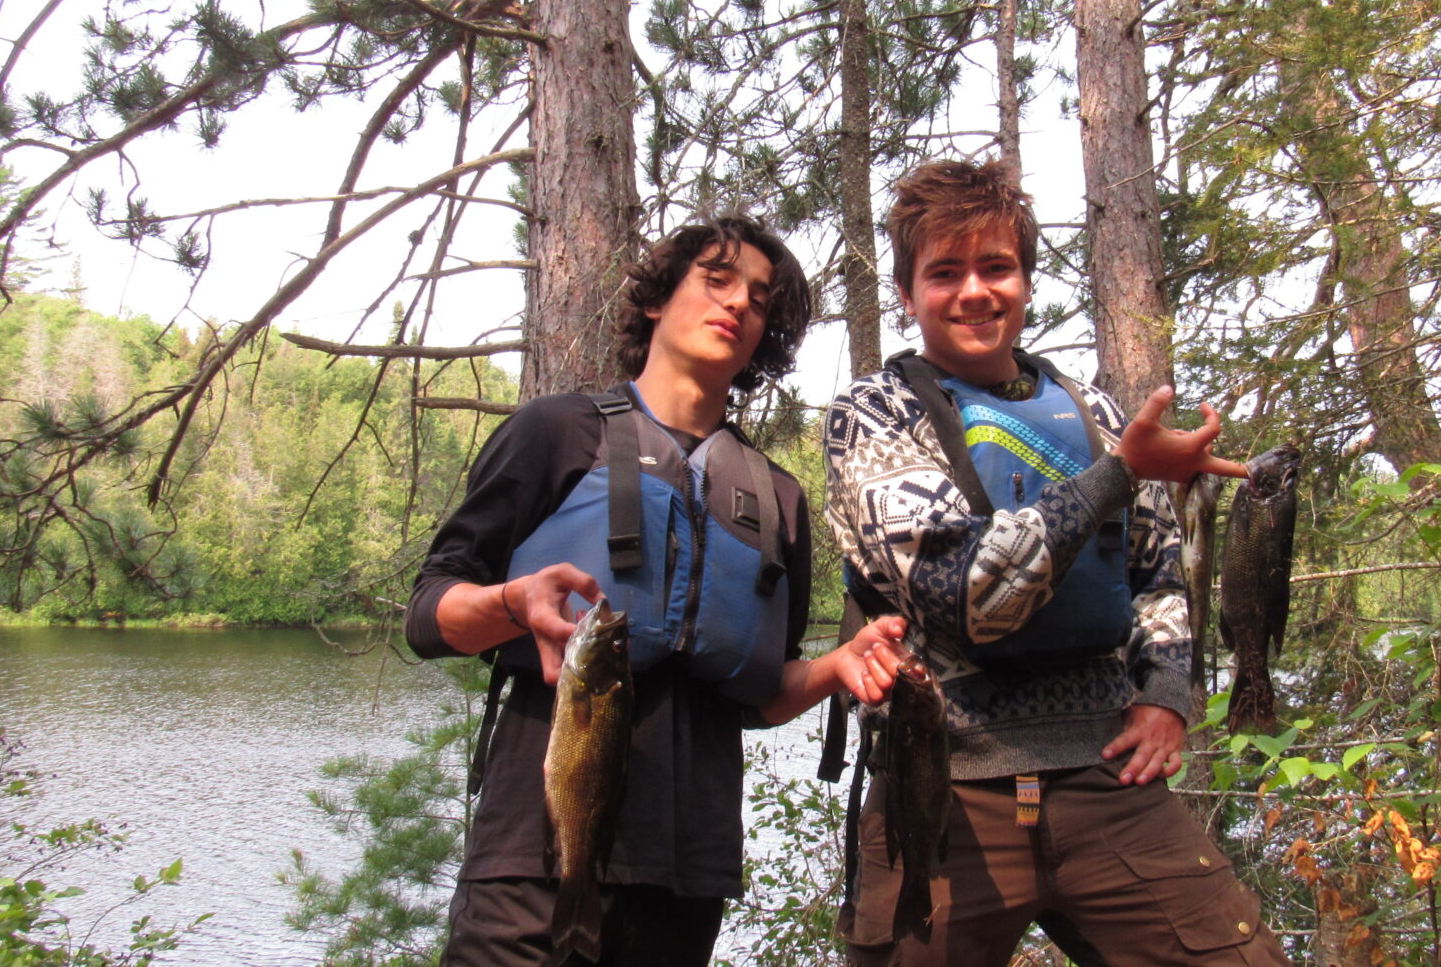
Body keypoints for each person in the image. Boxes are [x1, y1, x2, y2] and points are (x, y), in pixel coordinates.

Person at [823, 158, 1293, 966]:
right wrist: (1117, 475)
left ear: (1027, 281)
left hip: (1111, 784)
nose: (975, 290)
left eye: (996, 267)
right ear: (907, 296)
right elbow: (968, 594)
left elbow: (1157, 570)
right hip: (940, 792)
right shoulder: (872, 415)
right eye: (944, 272)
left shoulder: (1097, 410)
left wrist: (1168, 694)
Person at [409, 216, 906, 967]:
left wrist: (836, 670)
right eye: (716, 280)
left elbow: (756, 695)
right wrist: (512, 603)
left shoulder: (776, 499)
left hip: (686, 876)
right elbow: (428, 612)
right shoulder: (555, 433)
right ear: (656, 301)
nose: (738, 303)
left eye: (760, 299)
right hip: (533, 860)